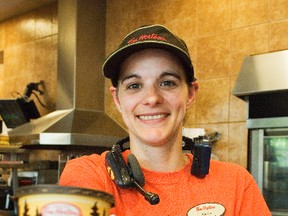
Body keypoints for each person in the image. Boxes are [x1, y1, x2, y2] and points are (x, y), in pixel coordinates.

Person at [59, 24, 271, 216]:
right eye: (134, 85)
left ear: (190, 93)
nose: (152, 98)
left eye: (167, 83)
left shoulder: (235, 183)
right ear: (117, 99)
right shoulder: (90, 176)